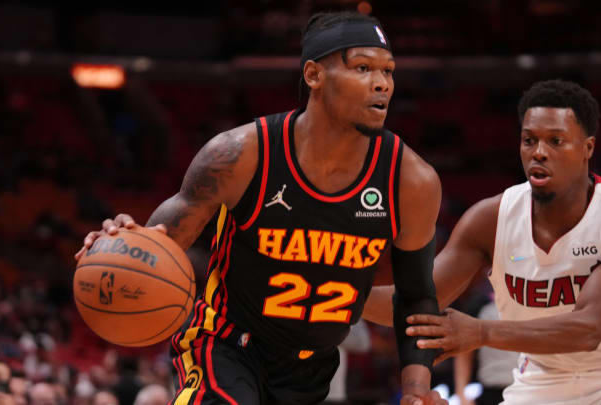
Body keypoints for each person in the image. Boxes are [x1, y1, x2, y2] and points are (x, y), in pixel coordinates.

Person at [76, 11, 445, 405]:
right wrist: (122, 240)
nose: (381, 83)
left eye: (388, 71)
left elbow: (416, 297)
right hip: (226, 348)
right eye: (362, 67)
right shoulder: (239, 155)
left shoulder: (412, 181)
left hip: (312, 369)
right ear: (313, 76)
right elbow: (159, 246)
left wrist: (417, 391)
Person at [363, 80, 601, 405]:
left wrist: (481, 333)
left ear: (588, 148)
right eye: (529, 140)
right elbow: (415, 298)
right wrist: (339, 294)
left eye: (555, 141)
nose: (539, 152)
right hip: (542, 382)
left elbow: (589, 329)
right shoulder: (490, 220)